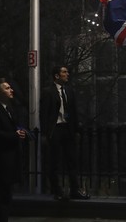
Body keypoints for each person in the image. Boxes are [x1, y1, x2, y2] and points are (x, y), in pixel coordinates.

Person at [40, 66, 90, 201]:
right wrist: (44, 134)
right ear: (56, 76)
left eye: (67, 72)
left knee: (72, 160)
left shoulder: (69, 91)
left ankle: (75, 190)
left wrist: (76, 130)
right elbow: (44, 113)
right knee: (54, 161)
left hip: (67, 129)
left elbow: (74, 111)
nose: (67, 74)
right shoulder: (48, 92)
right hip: (55, 129)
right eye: (64, 72)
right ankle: (57, 191)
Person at [0, 78, 27, 222]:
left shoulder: (8, 109)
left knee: (5, 196)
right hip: (1, 161)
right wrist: (14, 135)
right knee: (2, 197)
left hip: (9, 159)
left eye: (10, 87)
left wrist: (19, 133)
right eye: (7, 88)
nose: (11, 90)